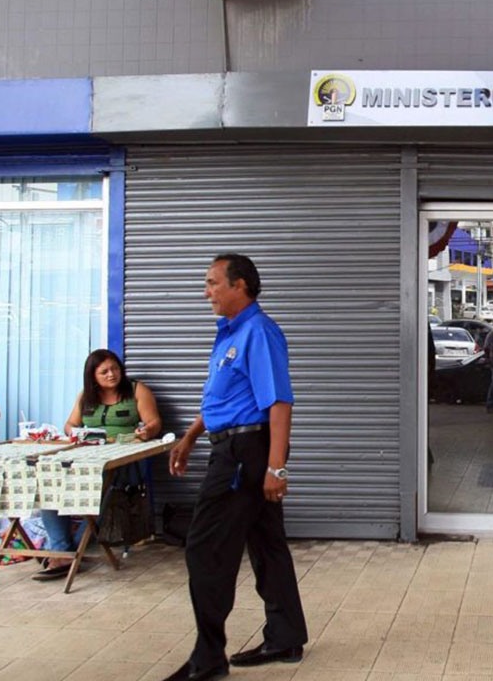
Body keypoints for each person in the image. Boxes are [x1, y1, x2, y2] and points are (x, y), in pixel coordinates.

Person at [163, 254, 307, 681]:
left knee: (204, 548)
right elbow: (224, 398)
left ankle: (208, 657)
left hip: (244, 454)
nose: (205, 291)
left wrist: (276, 469)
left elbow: (278, 402)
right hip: (236, 445)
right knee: (266, 543)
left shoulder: (258, 331)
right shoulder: (230, 333)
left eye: (212, 283)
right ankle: (285, 637)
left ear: (239, 285)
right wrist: (191, 435)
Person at [32, 349, 163, 581]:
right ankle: (63, 549)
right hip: (86, 456)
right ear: (92, 376)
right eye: (104, 372)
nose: (112, 374)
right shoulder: (86, 396)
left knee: (103, 490)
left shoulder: (136, 390)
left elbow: (154, 423)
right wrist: (76, 433)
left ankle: (67, 553)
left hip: (123, 460)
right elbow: (70, 425)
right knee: (49, 484)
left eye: (115, 369)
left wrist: (146, 431)